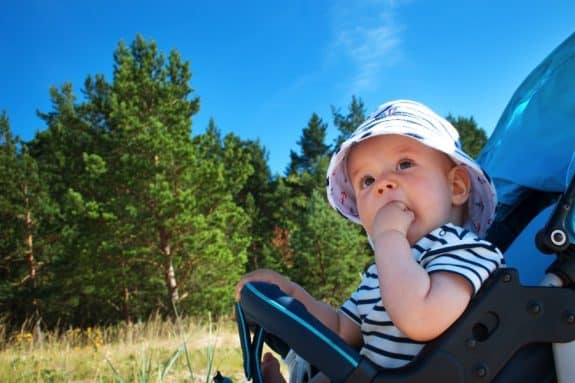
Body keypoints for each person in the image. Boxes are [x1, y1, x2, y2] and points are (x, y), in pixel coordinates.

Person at [236, 99, 505, 382]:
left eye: (404, 164)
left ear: (456, 186)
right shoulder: (382, 270)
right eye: (366, 181)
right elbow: (341, 331)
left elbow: (421, 318)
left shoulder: (466, 249)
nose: (382, 184)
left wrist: (389, 237)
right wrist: (291, 296)